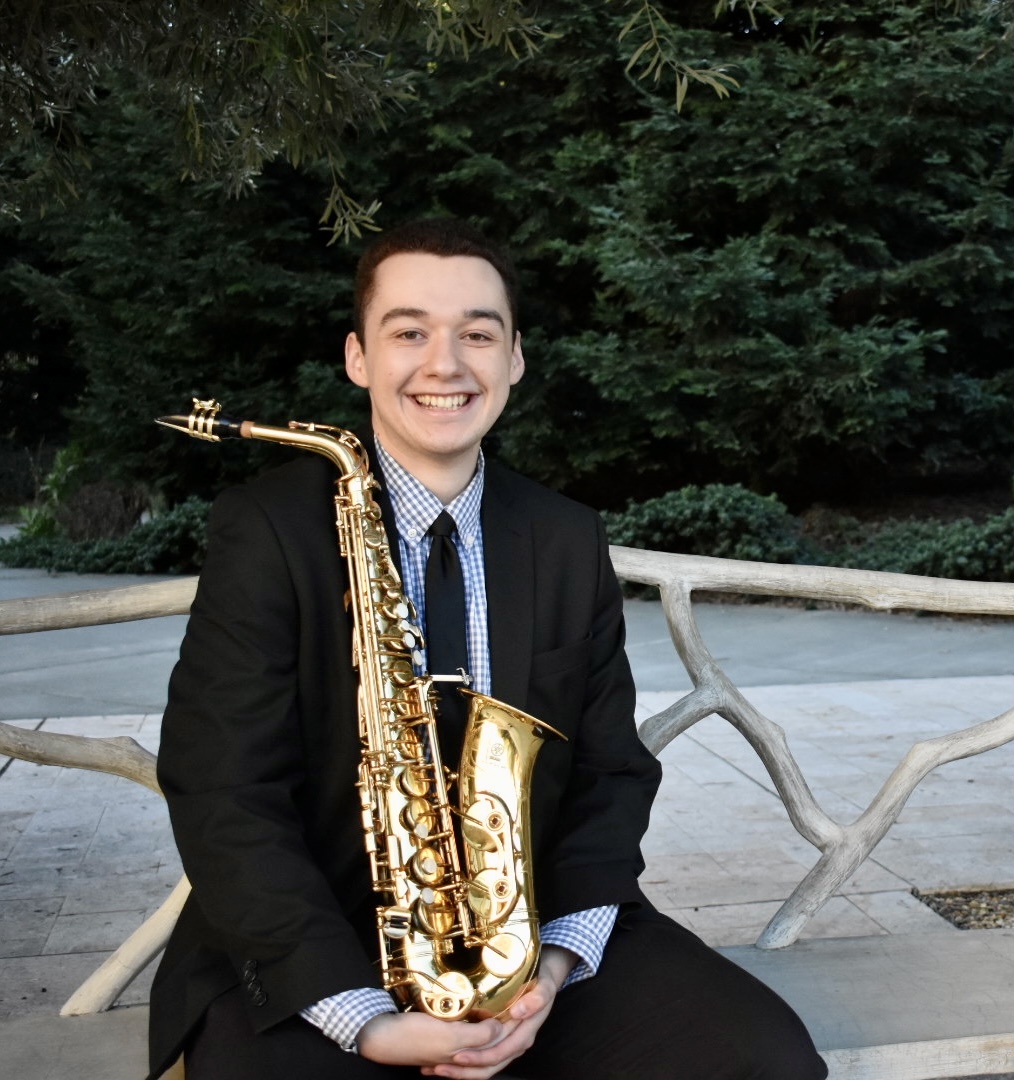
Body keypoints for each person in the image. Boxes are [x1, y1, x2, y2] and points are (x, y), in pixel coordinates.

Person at [148, 218, 828, 1080]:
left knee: (765, 1062)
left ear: (514, 359)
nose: (445, 364)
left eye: (477, 332)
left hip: (526, 930)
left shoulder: (564, 535)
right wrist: (365, 1020)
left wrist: (547, 967)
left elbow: (610, 773)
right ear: (359, 357)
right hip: (310, 944)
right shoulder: (267, 530)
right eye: (409, 332)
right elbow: (222, 789)